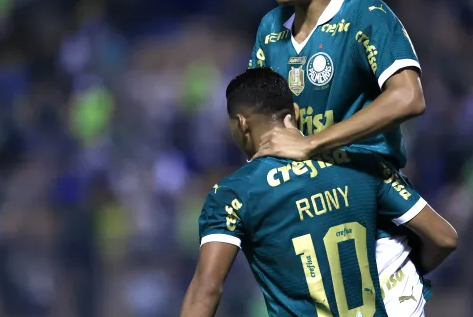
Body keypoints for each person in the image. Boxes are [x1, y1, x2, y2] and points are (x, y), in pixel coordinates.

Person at [248, 0, 433, 315]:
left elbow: (408, 97)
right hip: (306, 223)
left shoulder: (367, 15)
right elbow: (259, 120)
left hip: (372, 215)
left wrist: (312, 142)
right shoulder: (270, 29)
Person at [179, 68, 457, 317]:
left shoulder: (233, 194)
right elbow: (444, 238)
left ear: (241, 124)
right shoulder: (362, 164)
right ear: (296, 113)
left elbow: (207, 291)